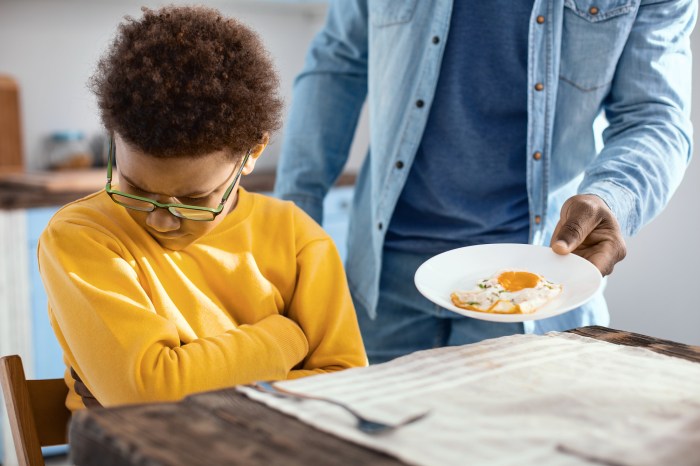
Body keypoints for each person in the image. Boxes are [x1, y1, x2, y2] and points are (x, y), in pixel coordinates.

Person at [274, 1, 696, 363]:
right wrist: (294, 215)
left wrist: (613, 197)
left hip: (536, 285)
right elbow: (337, 63)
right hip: (379, 287)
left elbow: (655, 116)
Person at [38, 5, 366, 411]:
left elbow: (347, 387)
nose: (160, 219)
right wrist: (286, 338)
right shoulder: (82, 236)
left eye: (193, 200)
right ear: (113, 141)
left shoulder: (298, 238)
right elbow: (145, 393)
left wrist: (186, 378)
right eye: (135, 187)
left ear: (252, 154)